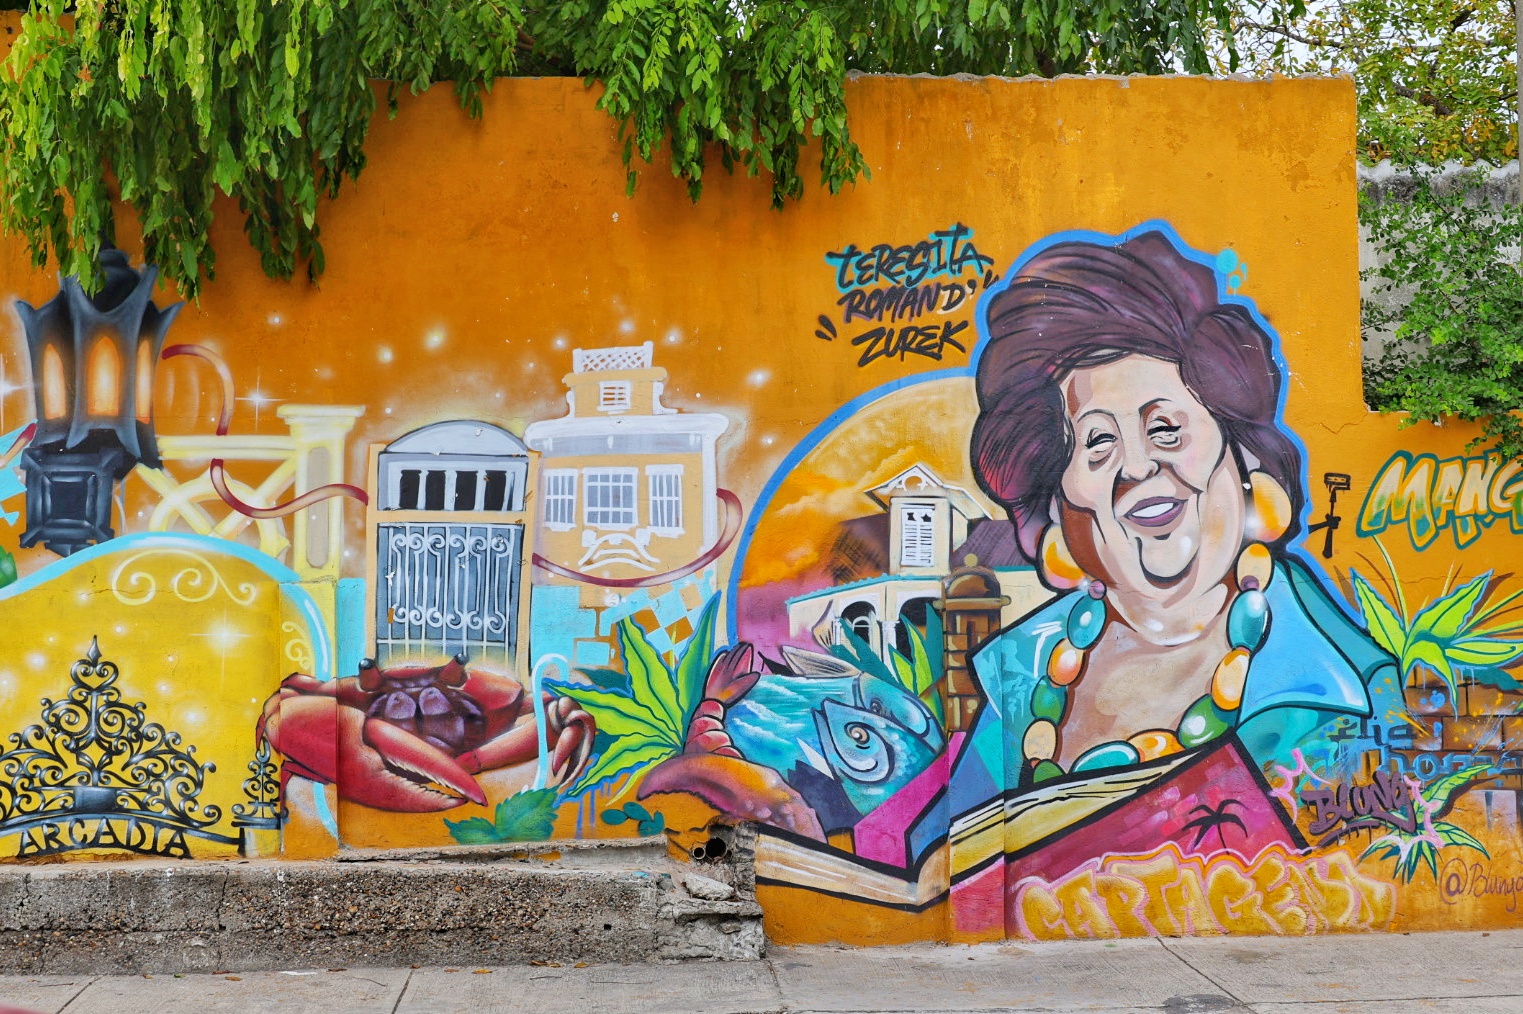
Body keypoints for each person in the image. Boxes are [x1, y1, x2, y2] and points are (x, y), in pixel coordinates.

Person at [962, 229, 1394, 789]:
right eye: (1098, 441)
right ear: (1060, 503)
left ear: (1242, 454)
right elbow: (955, 834)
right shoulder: (1017, 678)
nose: (1138, 466)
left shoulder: (1336, 686)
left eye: (1165, 428)